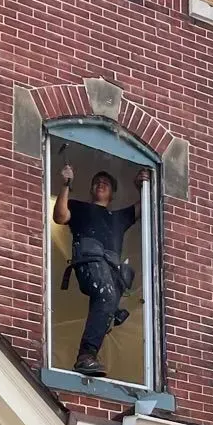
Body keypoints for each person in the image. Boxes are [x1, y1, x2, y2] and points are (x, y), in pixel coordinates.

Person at [54, 161, 150, 375]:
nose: (101, 184)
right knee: (106, 297)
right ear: (91, 189)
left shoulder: (117, 218)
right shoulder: (79, 208)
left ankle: (90, 355)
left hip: (111, 270)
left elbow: (143, 207)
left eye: (106, 182)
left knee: (107, 309)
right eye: (97, 182)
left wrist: (142, 186)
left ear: (112, 193)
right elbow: (60, 216)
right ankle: (86, 356)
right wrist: (65, 185)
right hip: (90, 260)